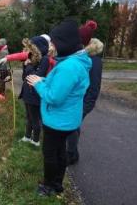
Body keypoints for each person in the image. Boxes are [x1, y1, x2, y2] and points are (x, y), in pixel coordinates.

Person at [26, 19, 92, 196]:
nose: (51, 47)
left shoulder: (69, 67)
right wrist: (44, 80)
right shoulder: (76, 62)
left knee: (50, 154)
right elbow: (61, 86)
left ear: (64, 43)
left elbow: (54, 97)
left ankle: (48, 186)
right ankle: (57, 184)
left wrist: (39, 84)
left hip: (58, 121)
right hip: (67, 120)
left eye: (53, 43)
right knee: (60, 152)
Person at [66, 20, 103, 165]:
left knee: (72, 127)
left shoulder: (93, 61)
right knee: (73, 127)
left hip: (83, 102)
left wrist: (85, 107)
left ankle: (71, 154)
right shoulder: (82, 57)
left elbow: (94, 87)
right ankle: (72, 152)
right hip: (77, 100)